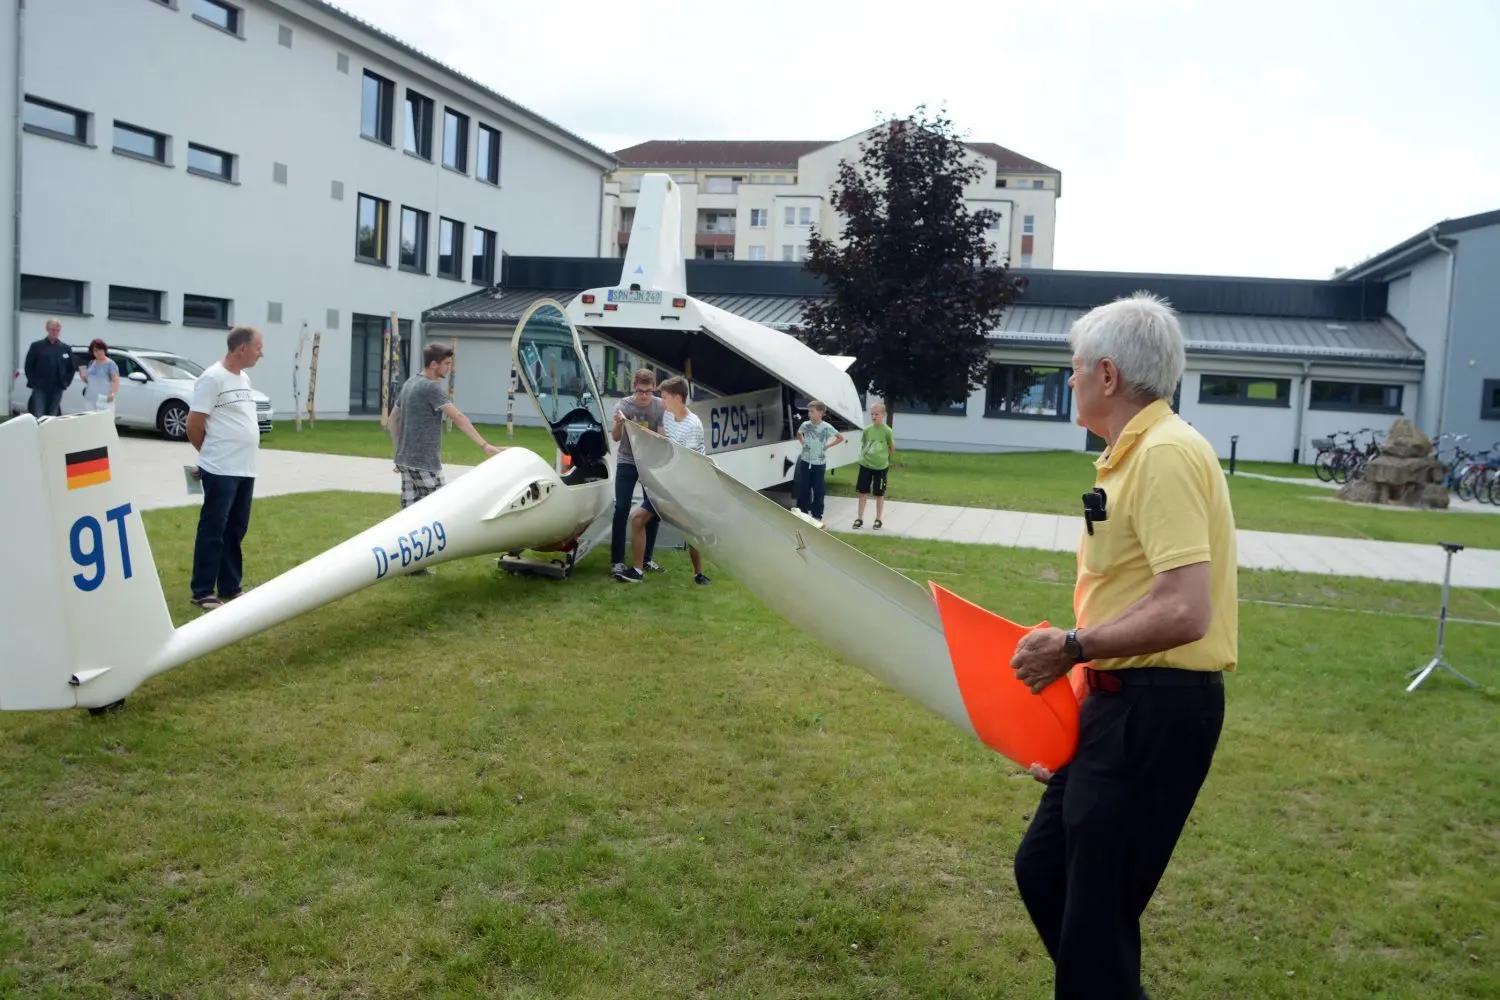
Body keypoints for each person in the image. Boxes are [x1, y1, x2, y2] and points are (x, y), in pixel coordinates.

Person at [1008, 292, 1238, 1000]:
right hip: (1117, 708)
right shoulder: (1128, 455)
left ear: (1106, 375)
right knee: (1045, 872)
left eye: (1073, 369)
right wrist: (1080, 694)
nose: (1067, 381)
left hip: (1156, 712)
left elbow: (1183, 609)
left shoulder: (1165, 455)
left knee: (1094, 922)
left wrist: (1072, 647)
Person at [389, 342, 503, 575]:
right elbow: (458, 417)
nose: (449, 368)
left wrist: (398, 451)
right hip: (425, 464)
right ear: (433, 365)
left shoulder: (410, 383)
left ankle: (412, 567)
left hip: (406, 461)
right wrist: (485, 445)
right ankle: (418, 565)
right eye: (447, 364)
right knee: (440, 514)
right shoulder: (431, 388)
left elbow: (393, 418)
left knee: (411, 516)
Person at [187, 326, 266, 611]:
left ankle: (230, 585)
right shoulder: (211, 378)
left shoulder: (243, 377)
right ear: (242, 349)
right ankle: (203, 590)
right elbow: (193, 424)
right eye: (258, 347)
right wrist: (209, 454)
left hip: (245, 468)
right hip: (220, 468)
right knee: (214, 528)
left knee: (235, 528)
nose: (261, 353)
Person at [619, 375, 710, 585]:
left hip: (687, 486)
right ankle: (637, 571)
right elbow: (666, 443)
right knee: (638, 519)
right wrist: (646, 434)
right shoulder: (668, 415)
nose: (662, 401)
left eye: (665, 397)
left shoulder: (693, 424)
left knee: (692, 531)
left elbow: (682, 460)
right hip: (668, 484)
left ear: (678, 398)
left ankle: (699, 574)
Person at [609, 368, 666, 580]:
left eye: (649, 392)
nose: (644, 396)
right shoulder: (624, 405)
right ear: (635, 388)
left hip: (649, 462)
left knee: (652, 510)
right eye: (641, 391)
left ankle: (646, 559)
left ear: (654, 389)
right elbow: (615, 438)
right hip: (627, 460)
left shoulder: (659, 406)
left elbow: (661, 439)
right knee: (622, 507)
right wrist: (619, 423)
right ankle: (617, 561)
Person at [794, 400, 844, 527]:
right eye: (809, 411)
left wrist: (827, 446)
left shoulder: (826, 427)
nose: (809, 414)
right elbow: (799, 433)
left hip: (819, 463)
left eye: (812, 411)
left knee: (818, 489)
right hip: (805, 461)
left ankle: (817, 514)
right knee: (804, 487)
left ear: (821, 413)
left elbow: (840, 437)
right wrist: (803, 442)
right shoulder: (806, 425)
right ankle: (802, 512)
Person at [852, 401, 895, 530]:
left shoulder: (887, 431)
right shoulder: (867, 430)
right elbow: (864, 444)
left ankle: (878, 519)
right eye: (872, 414)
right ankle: (859, 518)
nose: (874, 416)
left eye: (876, 414)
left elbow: (891, 448)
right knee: (863, 492)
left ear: (883, 415)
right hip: (865, 466)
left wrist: (884, 458)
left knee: (879, 493)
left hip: (880, 468)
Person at [22, 317, 74, 418]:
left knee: (52, 416)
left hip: (57, 388)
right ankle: (38, 433)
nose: (55, 332)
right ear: (47, 329)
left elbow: (71, 368)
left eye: (57, 330)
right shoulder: (37, 346)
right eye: (52, 329)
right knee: (39, 414)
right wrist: (34, 381)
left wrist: (66, 383)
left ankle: (50, 434)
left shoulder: (65, 348)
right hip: (40, 388)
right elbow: (28, 366)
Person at [80, 339, 120, 412]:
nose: (98, 352)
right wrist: (83, 376)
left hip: (104, 398)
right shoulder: (91, 363)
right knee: (90, 421)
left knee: (103, 421)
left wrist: (112, 394)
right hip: (90, 397)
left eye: (100, 350)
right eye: (95, 350)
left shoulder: (111, 364)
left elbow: (115, 380)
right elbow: (88, 381)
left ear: (104, 350)